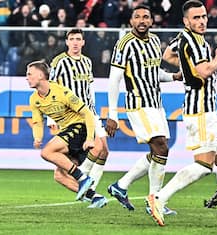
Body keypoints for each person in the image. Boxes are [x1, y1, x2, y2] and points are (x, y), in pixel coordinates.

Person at [145, 0, 217, 228]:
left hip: (204, 109)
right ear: (186, 21)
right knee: (203, 165)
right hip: (200, 110)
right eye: (196, 18)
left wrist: (186, 68)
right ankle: (159, 198)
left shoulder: (183, 38)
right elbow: (203, 72)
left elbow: (168, 56)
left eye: (203, 16)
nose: (201, 21)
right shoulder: (197, 43)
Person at [105, 4, 181, 214]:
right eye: (137, 17)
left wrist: (173, 76)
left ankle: (121, 186)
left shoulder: (155, 41)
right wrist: (112, 115)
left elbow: (153, 72)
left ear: (151, 20)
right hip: (138, 103)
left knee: (157, 151)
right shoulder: (124, 44)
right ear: (131, 21)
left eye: (145, 17)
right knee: (162, 147)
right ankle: (155, 201)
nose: (141, 21)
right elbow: (114, 79)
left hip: (156, 103)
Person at [49, 28, 109, 208]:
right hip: (71, 118)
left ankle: (89, 188)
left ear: (83, 42)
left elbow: (90, 88)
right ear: (67, 42)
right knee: (62, 171)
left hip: (89, 114)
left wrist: (95, 112)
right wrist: (52, 120)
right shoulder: (59, 62)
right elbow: (51, 91)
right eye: (72, 39)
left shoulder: (87, 62)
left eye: (78, 39)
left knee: (103, 150)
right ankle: (88, 187)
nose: (75, 42)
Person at [26, 60, 95, 202]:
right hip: (69, 134)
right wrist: (37, 137)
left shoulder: (62, 92)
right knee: (59, 175)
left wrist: (90, 138)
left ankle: (82, 178)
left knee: (46, 152)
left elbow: (87, 113)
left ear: (40, 75)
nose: (26, 78)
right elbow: (38, 122)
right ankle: (95, 197)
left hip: (79, 128)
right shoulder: (34, 99)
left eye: (29, 74)